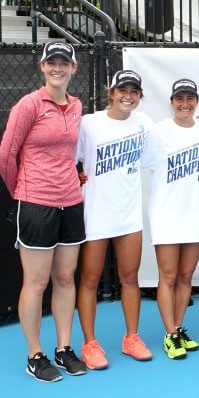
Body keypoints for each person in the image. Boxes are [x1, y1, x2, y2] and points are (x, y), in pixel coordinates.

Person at [0, 41, 87, 382]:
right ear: (43, 67)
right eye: (52, 63)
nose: (58, 68)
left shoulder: (76, 106)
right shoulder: (28, 105)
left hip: (71, 202)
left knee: (65, 278)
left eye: (64, 63)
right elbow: (6, 156)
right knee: (36, 283)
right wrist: (23, 193)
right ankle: (35, 355)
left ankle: (63, 349)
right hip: (35, 204)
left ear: (73, 68)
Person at [76, 70, 153, 369]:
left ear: (140, 96)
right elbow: (70, 160)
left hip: (128, 215)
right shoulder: (89, 124)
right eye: (123, 90)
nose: (128, 96)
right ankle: (90, 343)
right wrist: (77, 176)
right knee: (90, 280)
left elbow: (167, 141)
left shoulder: (144, 124)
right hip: (96, 213)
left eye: (134, 91)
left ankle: (131, 337)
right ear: (111, 92)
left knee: (130, 278)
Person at [141, 79, 199, 359]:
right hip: (167, 214)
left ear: (196, 101)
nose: (185, 104)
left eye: (190, 98)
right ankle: (170, 334)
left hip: (196, 212)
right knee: (168, 276)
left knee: (185, 276)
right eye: (179, 99)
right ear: (171, 101)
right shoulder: (157, 132)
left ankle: (179, 327)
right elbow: (137, 161)